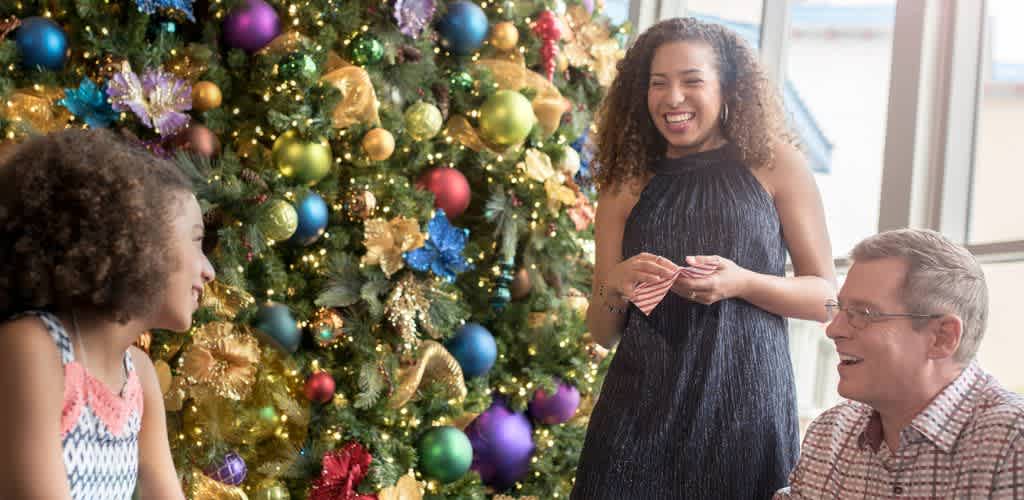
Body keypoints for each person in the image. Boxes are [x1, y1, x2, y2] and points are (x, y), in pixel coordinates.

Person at [572, 17, 836, 499]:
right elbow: (602, 332)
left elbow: (825, 298)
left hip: (745, 416)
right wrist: (616, 284)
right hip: (636, 418)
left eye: (691, 80)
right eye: (658, 83)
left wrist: (742, 283)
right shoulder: (624, 185)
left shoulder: (776, 164)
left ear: (728, 87)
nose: (673, 98)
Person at [0, 129, 215, 499]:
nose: (209, 270)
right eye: (197, 241)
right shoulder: (33, 348)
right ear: (141, 239)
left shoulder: (140, 375)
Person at [776, 228, 1024, 498]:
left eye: (863, 313)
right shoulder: (831, 432)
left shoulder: (1013, 444)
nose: (833, 330)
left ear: (942, 337)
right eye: (840, 309)